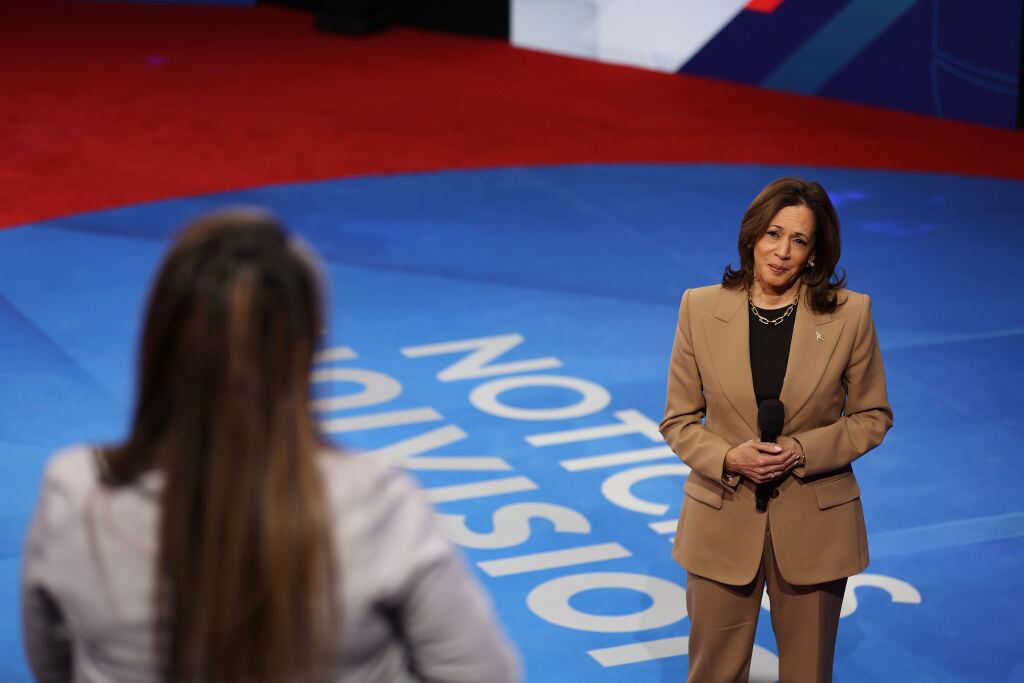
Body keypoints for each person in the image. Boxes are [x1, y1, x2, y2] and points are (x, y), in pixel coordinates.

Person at [21, 209, 521, 683]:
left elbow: (51, 663)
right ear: (304, 349)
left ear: (159, 340)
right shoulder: (377, 504)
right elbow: (482, 675)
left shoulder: (75, 489)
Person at [659, 178, 893, 683]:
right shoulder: (699, 308)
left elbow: (872, 416)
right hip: (721, 523)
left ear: (815, 254)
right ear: (751, 238)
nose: (782, 252)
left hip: (815, 528)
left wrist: (802, 450)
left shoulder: (852, 315)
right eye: (772, 234)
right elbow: (679, 420)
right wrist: (727, 458)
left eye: (799, 241)